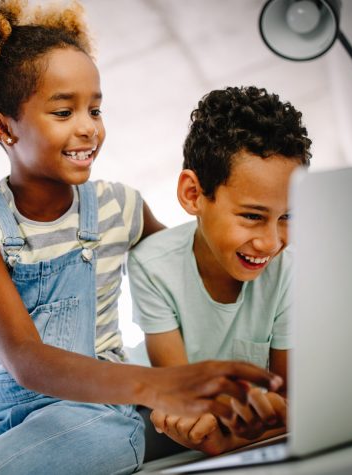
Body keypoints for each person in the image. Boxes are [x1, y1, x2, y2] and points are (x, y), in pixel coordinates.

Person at [0, 2, 283, 473]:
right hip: (0, 424)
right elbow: (26, 360)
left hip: (100, 417)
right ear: (4, 127)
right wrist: (155, 384)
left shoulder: (120, 207)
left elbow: (191, 270)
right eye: (64, 111)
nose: (88, 126)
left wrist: (250, 232)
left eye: (95, 108)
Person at [128, 86, 312, 456]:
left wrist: (239, 434)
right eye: (252, 216)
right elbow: (184, 400)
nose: (271, 242)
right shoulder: (151, 264)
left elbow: (291, 401)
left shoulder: (291, 273)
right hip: (149, 409)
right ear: (193, 195)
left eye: (288, 217)